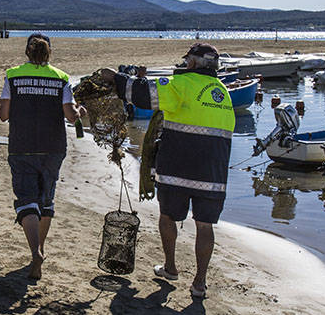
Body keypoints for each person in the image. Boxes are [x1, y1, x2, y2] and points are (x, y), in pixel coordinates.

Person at [99, 43, 235, 298]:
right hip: (213, 171)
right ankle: (199, 283)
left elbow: (142, 94)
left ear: (192, 63)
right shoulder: (223, 92)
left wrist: (115, 77)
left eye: (187, 61)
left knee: (168, 216)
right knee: (205, 226)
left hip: (178, 165)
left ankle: (171, 267)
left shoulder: (182, 84)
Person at [0, 33, 85, 280]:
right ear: (49, 52)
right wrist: (79, 110)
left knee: (26, 199)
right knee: (46, 201)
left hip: (22, 145)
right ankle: (41, 248)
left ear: (27, 52)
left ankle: (35, 251)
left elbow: (4, 115)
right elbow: (70, 116)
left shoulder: (13, 75)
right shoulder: (61, 77)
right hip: (53, 147)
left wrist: (0, 104)